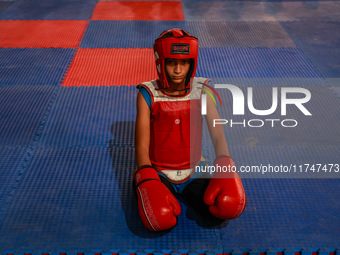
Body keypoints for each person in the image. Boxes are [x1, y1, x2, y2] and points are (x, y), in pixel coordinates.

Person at [134, 29, 246, 232]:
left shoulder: (202, 90)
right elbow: (141, 144)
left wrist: (225, 163)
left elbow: (217, 132)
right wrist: (147, 176)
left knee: (218, 215)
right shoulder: (148, 93)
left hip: (194, 171)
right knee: (157, 221)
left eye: (184, 62)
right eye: (171, 62)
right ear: (161, 62)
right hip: (158, 173)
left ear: (192, 62)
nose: (178, 70)